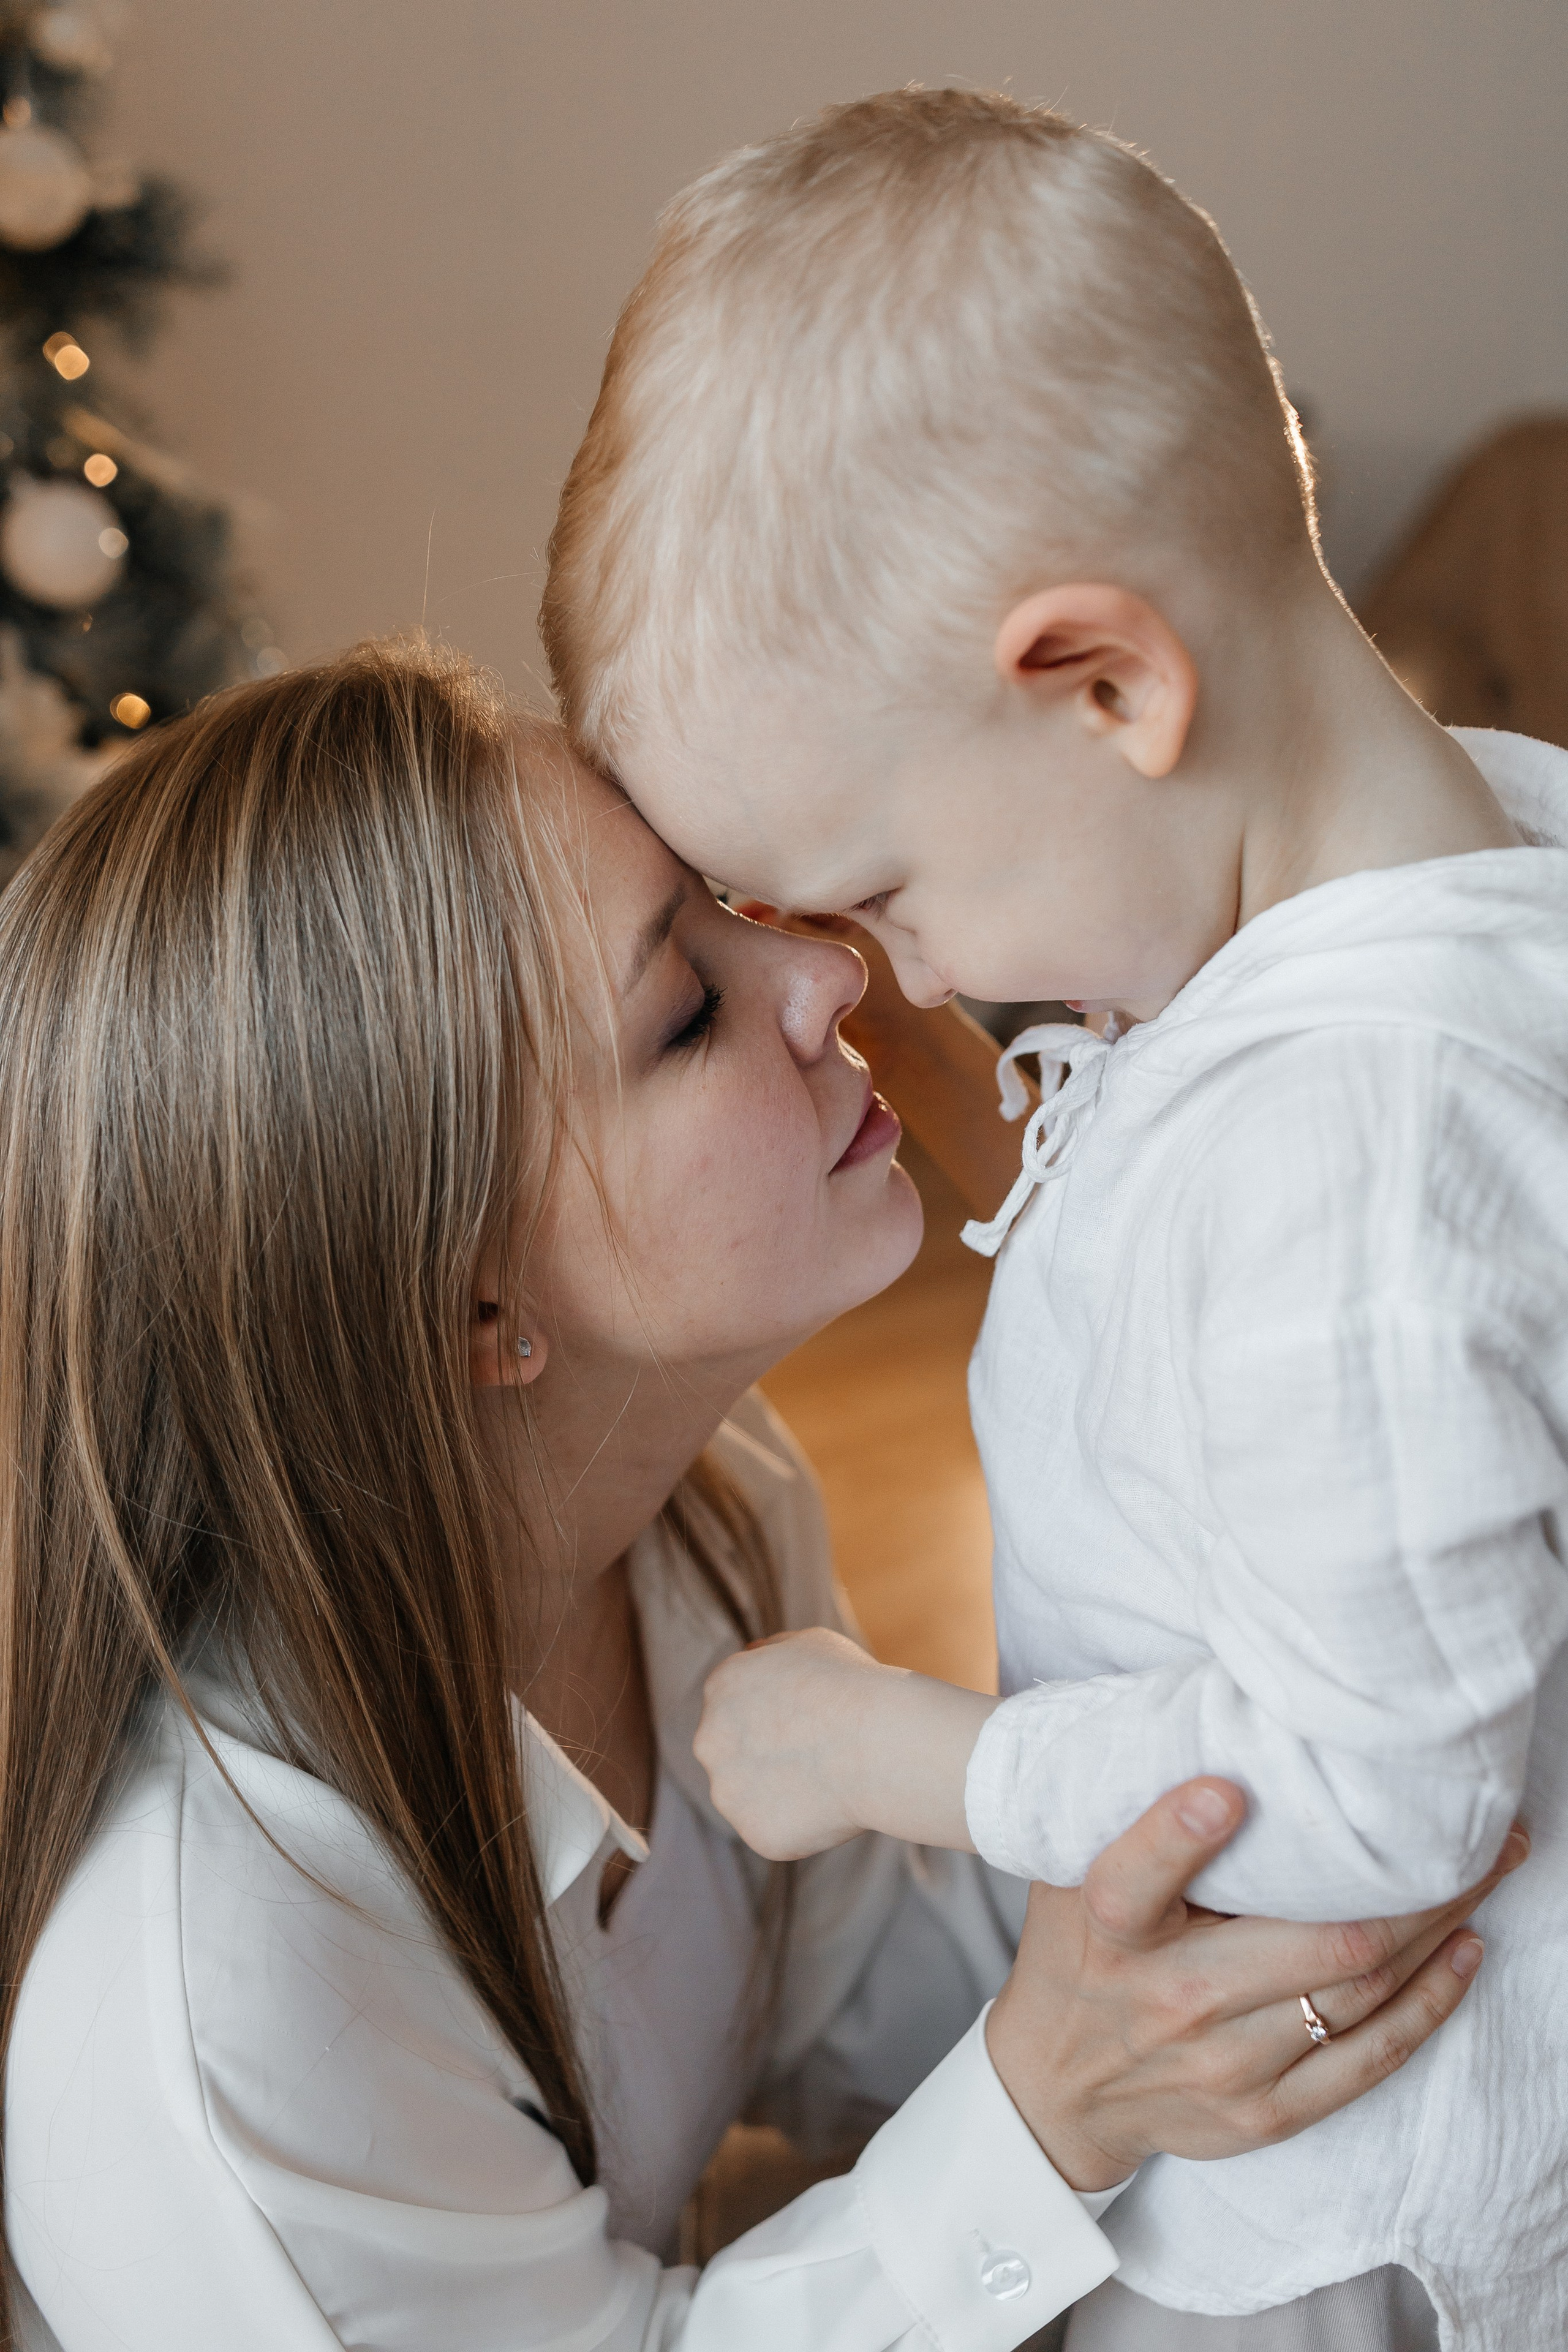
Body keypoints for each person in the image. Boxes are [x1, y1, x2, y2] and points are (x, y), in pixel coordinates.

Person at [0, 644, 1507, 2352]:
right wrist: (1042, 2116)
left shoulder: (698, 1511)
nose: (819, 969)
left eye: (727, 904)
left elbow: (869, 1998)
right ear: (477, 1309)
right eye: (688, 1012)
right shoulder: (226, 1999)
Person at [538, 86, 1568, 2350]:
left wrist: (902, 1753)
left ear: (1106, 685)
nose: (887, 981)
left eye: (887, 887)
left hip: (1335, 2189)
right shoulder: (1488, 857)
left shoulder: (1351, 1145)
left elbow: (1367, 1806)